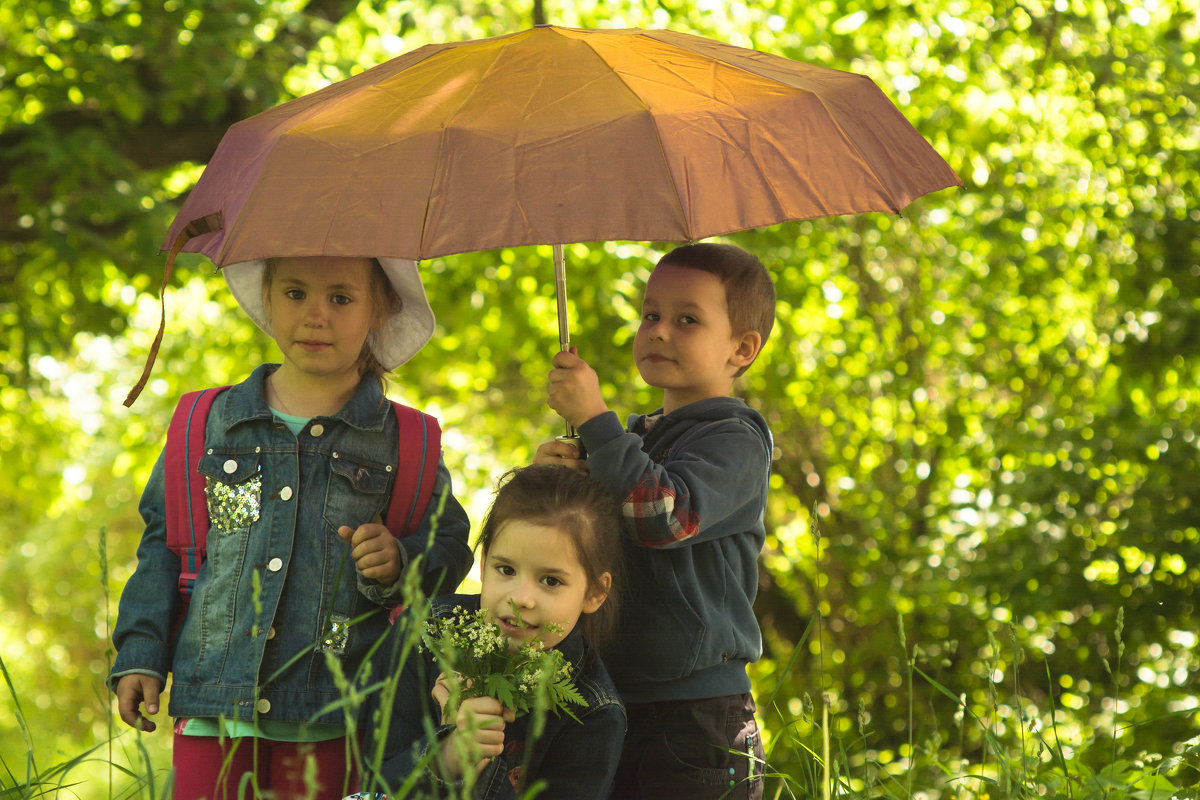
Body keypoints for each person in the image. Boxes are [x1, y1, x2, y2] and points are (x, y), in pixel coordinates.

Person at [108, 255, 474, 800]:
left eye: (341, 298)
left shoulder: (406, 442)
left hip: (339, 715)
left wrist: (400, 560)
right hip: (215, 712)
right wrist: (141, 652)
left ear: (380, 309)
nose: (315, 315)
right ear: (269, 299)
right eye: (296, 293)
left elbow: (450, 549)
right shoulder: (205, 423)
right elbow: (165, 547)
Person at [534, 242, 775, 800]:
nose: (660, 331)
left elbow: (663, 517)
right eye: (651, 315)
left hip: (698, 717)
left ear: (742, 348)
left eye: (687, 319)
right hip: (612, 697)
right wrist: (557, 480)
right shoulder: (634, 441)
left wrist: (596, 420)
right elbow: (579, 548)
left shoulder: (736, 439)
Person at [358, 464, 626, 800]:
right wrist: (452, 753)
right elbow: (375, 786)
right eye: (506, 569)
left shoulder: (594, 711)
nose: (520, 599)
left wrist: (482, 762)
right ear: (483, 563)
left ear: (595, 593)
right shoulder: (427, 634)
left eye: (551, 581)